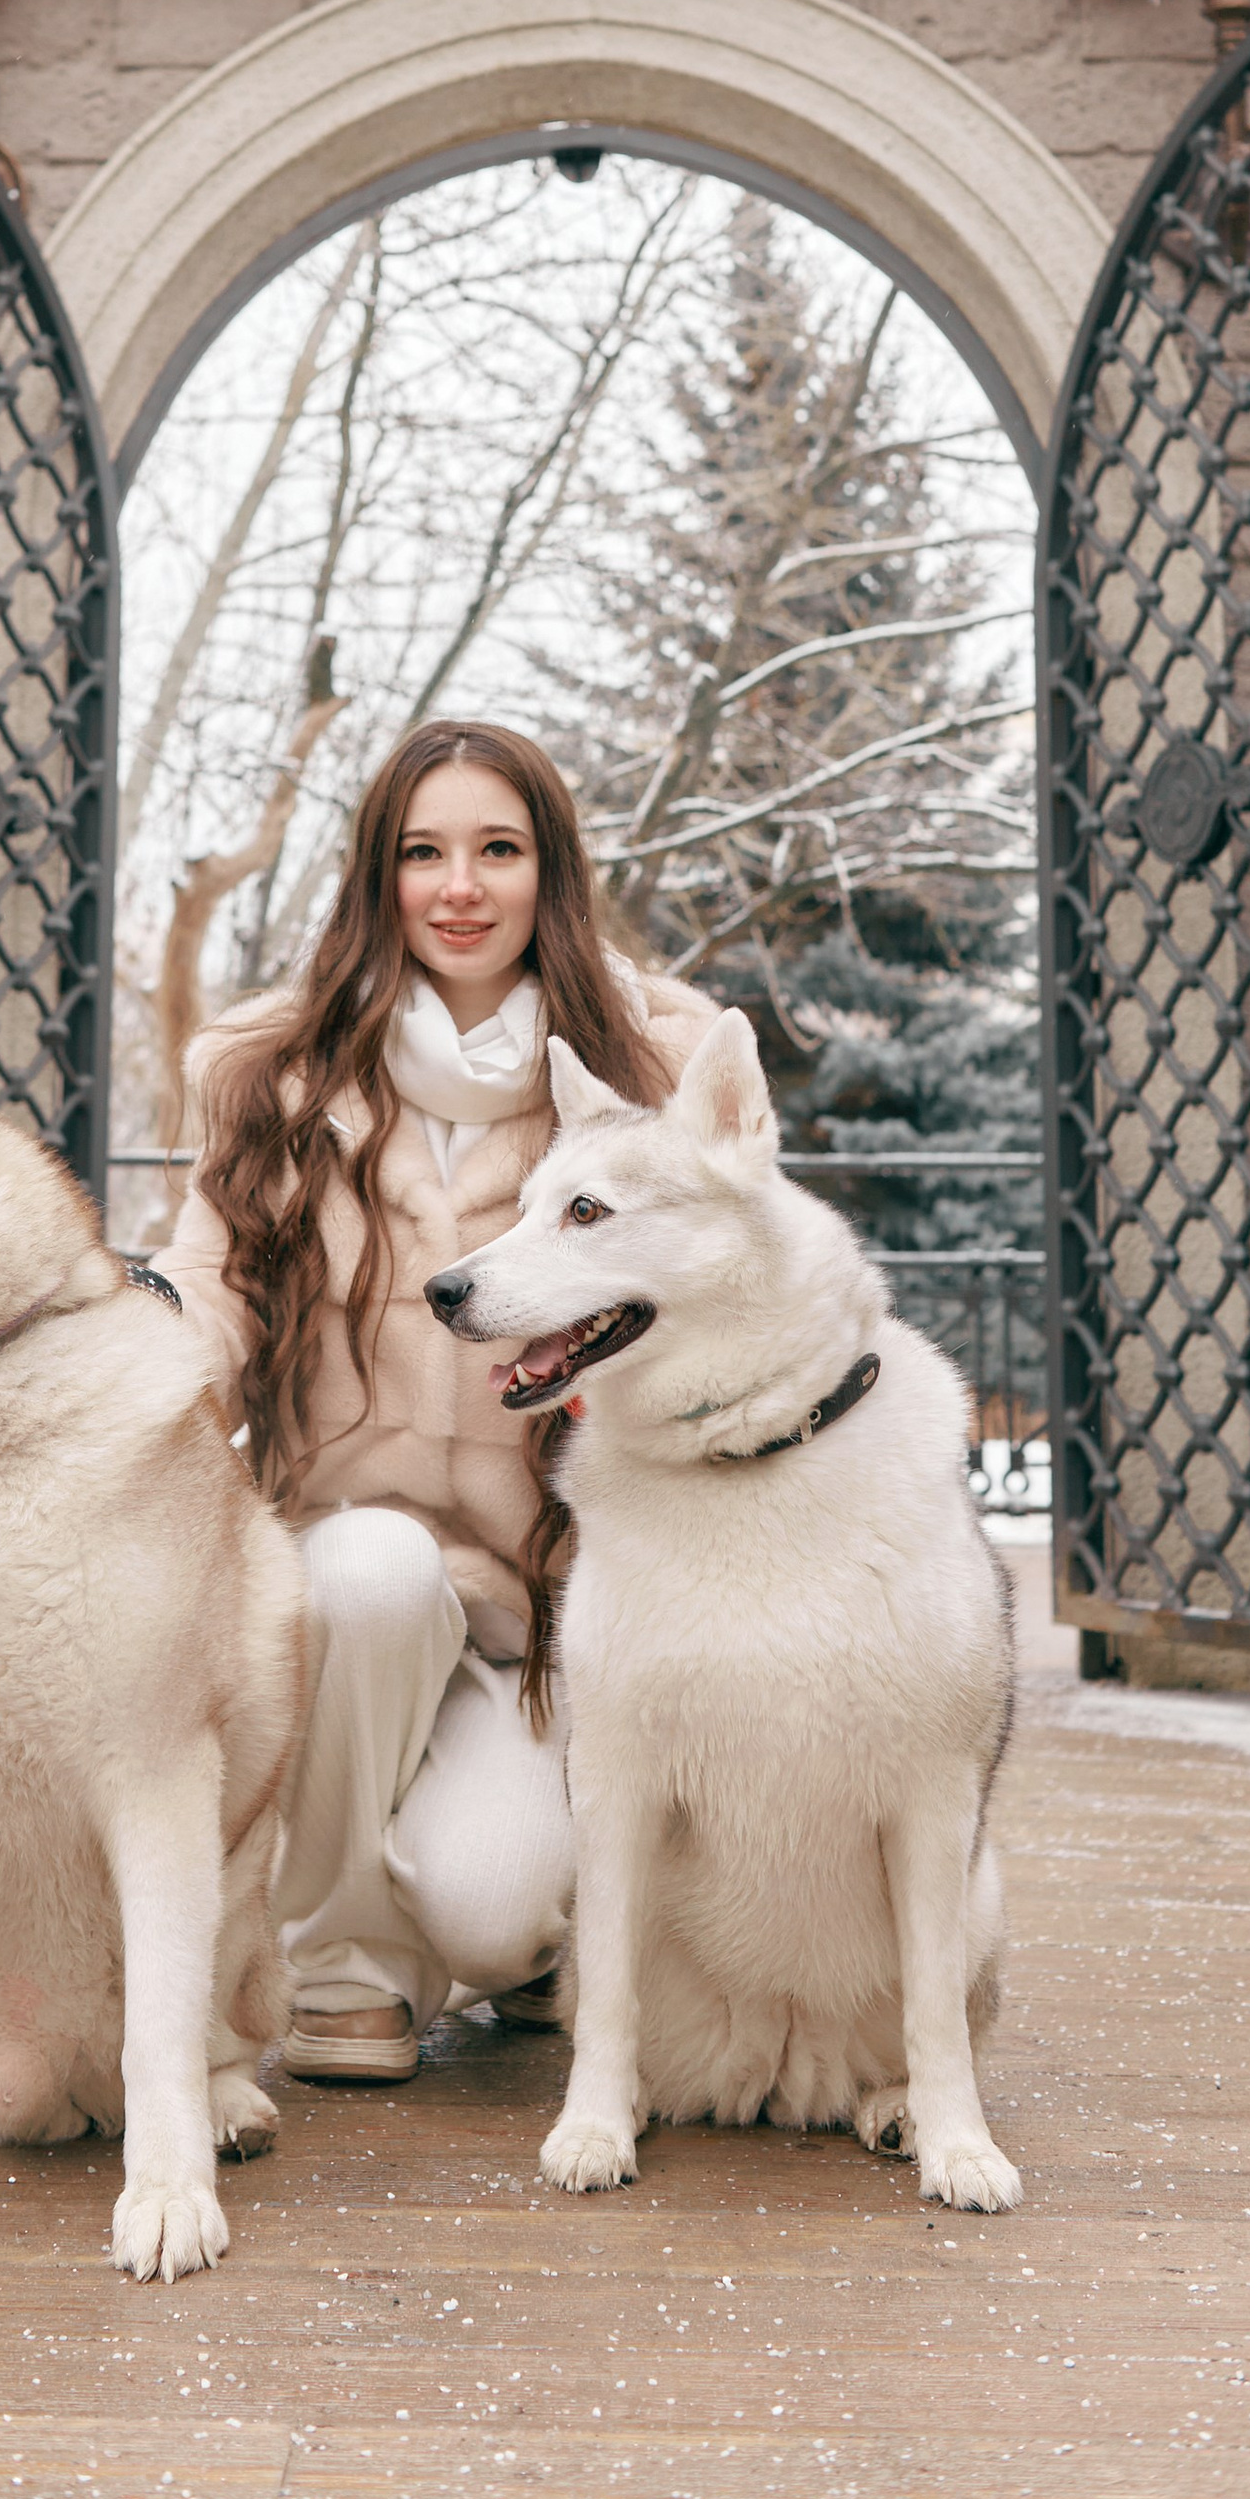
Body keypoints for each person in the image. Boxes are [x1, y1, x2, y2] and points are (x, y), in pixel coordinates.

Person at [163, 719, 716, 2083]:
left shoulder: (651, 1068)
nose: (460, 888)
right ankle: (346, 1969)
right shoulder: (279, 1072)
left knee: (494, 1905)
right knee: (367, 1572)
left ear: (551, 872)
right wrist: (124, 1350)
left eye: (498, 850)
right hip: (346, 1577)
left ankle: (523, 1940)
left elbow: (723, 1290)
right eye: (424, 853)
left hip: (556, 1606)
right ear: (379, 877)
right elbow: (205, 1287)